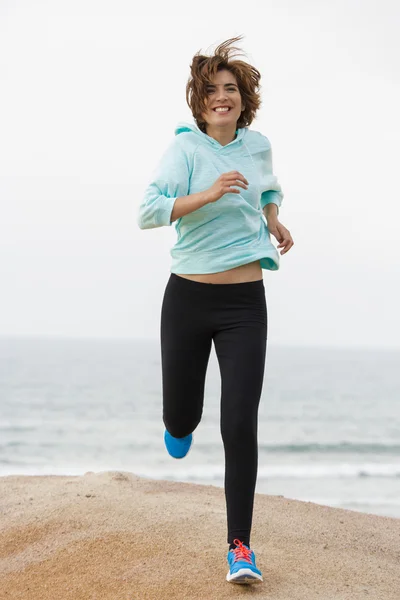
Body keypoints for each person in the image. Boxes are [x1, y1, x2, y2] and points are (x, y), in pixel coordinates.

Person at [137, 35, 294, 585]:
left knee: (239, 422)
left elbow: (269, 188)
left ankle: (240, 547)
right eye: (211, 91)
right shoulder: (184, 150)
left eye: (230, 89)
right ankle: (178, 425)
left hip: (245, 303)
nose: (221, 98)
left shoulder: (258, 146)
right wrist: (207, 194)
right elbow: (149, 210)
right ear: (198, 102)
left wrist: (272, 218)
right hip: (187, 297)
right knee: (183, 417)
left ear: (242, 98)